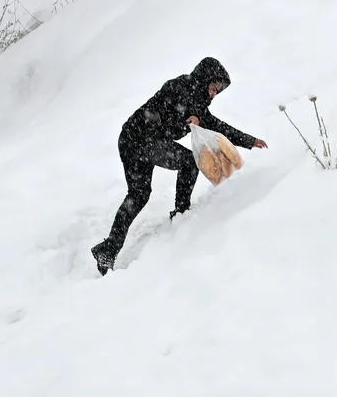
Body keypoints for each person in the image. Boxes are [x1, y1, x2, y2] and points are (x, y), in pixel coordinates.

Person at [91, 56, 267, 275]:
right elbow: (174, 101)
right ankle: (181, 213)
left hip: (137, 142)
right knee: (187, 164)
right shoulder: (180, 85)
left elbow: (220, 127)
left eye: (216, 91)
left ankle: (108, 249)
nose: (214, 94)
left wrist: (249, 141)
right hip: (136, 138)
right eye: (213, 88)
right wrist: (188, 114)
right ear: (204, 79)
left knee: (139, 194)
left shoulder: (200, 108)